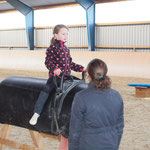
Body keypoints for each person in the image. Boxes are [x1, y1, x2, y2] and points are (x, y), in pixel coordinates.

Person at [29, 24, 84, 126]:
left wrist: (82, 68)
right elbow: (48, 62)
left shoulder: (67, 49)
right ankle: (36, 113)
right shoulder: (52, 48)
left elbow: (70, 64)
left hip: (66, 78)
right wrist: (55, 68)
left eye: (67, 34)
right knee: (46, 91)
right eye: (63, 34)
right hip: (55, 78)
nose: (65, 36)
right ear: (55, 35)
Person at [69, 58, 124, 150]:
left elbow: (75, 132)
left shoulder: (81, 97)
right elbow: (120, 127)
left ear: (88, 75)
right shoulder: (117, 95)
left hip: (88, 145)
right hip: (111, 144)